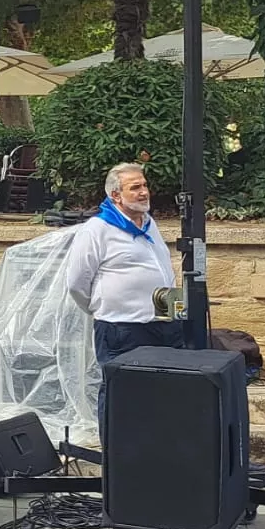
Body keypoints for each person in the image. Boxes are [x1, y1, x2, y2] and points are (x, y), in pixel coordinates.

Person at [61, 163, 178, 431]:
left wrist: (174, 312)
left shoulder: (149, 224)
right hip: (121, 328)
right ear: (116, 195)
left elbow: (161, 270)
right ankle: (116, 457)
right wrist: (101, 308)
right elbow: (77, 282)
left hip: (161, 324)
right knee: (121, 396)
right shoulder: (97, 229)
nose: (144, 192)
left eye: (145, 185)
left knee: (162, 395)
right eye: (134, 187)